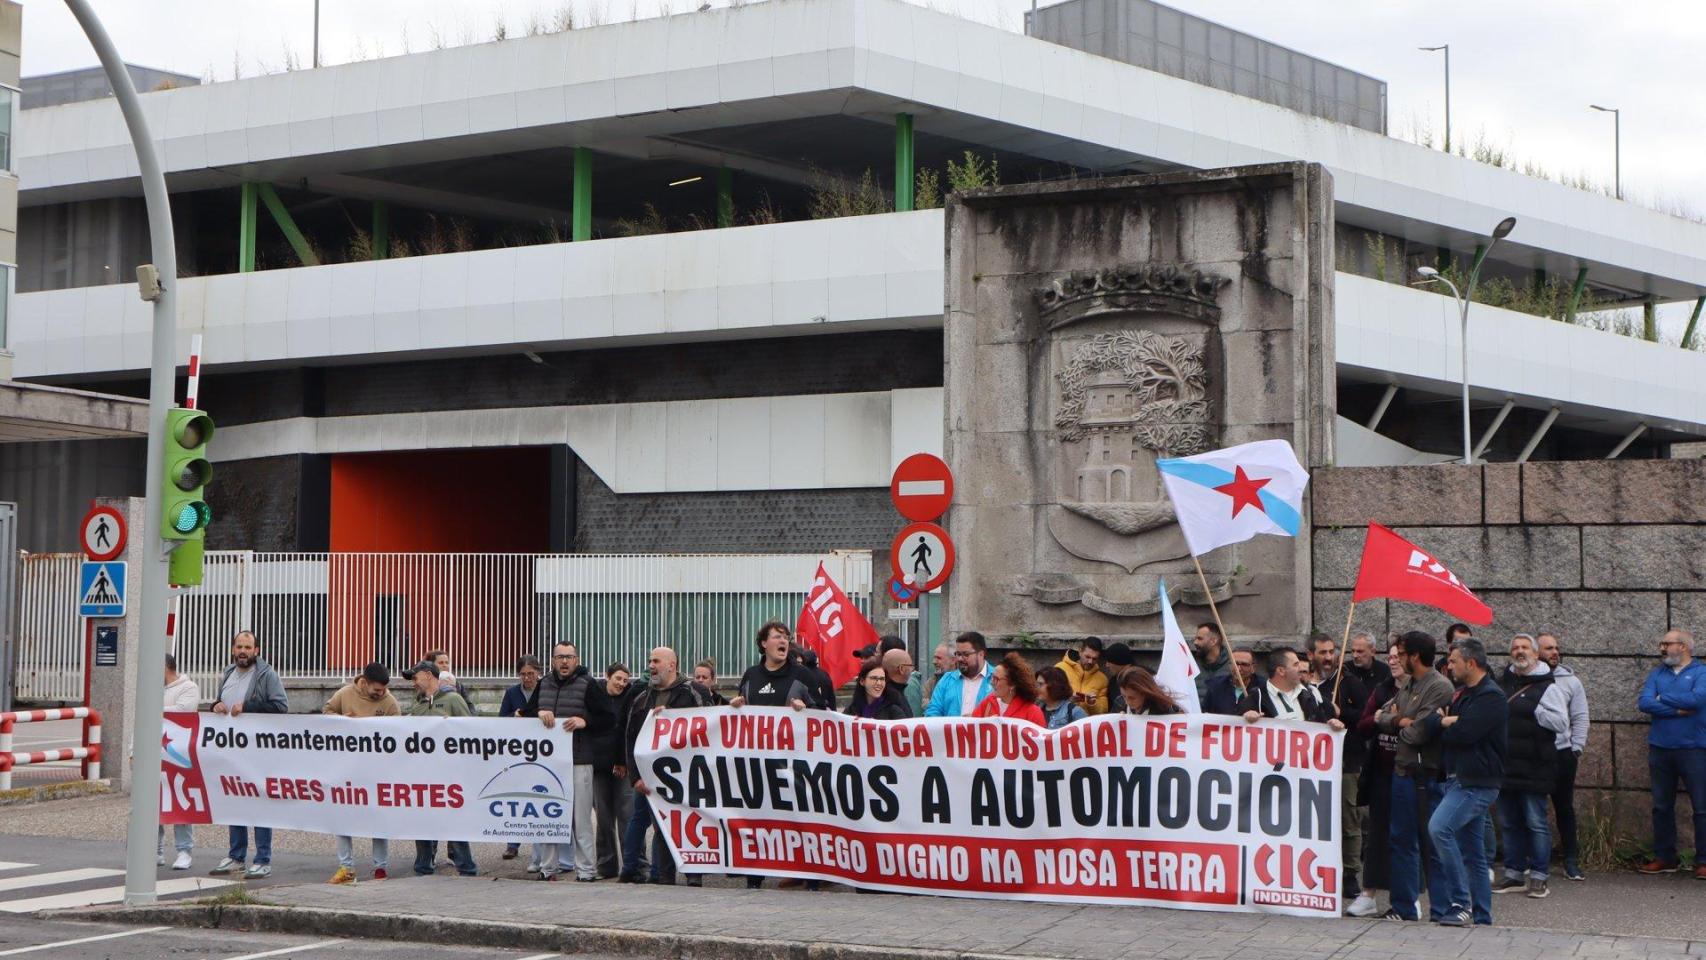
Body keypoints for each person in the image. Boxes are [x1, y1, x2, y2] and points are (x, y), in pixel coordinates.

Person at [1417, 638, 1507, 927]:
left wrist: (1446, 723)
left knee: (1439, 828)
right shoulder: (1461, 694)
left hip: (1476, 782)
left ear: (1471, 662)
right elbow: (1431, 722)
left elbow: (1465, 734)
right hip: (1457, 778)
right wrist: (1443, 722)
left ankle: (1460, 903)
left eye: (1454, 660)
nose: (1449, 665)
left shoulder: (1490, 696)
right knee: (1474, 853)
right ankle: (1483, 916)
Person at [1375, 630, 1454, 923]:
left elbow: (1418, 732)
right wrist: (1399, 719)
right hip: (1402, 773)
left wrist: (1399, 722)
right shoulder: (1408, 685)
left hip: (1426, 775)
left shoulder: (1439, 686)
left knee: (1432, 842)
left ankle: (1442, 908)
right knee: (1401, 840)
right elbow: (1380, 717)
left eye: (1403, 653)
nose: (1398, 659)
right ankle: (1404, 906)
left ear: (1415, 656)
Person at [732, 625, 815, 889]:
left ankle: (809, 874)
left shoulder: (802, 675)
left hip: (793, 764)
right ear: (763, 644)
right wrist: (733, 706)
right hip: (756, 763)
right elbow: (738, 709)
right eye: (777, 637)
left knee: (798, 819)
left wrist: (807, 709)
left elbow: (824, 714)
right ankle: (754, 876)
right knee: (757, 818)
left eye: (786, 637)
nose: (784, 641)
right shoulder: (751, 675)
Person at [621, 646, 712, 884]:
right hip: (650, 777)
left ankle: (693, 875)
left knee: (691, 822)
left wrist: (671, 715)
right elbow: (630, 738)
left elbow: (710, 723)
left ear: (672, 665)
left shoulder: (694, 692)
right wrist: (635, 777)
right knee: (659, 824)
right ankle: (660, 876)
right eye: (650, 661)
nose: (650, 666)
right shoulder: (641, 698)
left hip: (688, 774)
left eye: (656, 661)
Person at [1493, 634, 1569, 899]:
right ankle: (1514, 873)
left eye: (1525, 647)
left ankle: (1539, 876)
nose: (1519, 651)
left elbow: (1562, 723)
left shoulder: (1549, 687)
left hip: (1536, 766)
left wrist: (1538, 713)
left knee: (1535, 821)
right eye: (1515, 648)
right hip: (1506, 764)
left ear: (1536, 654)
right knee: (1509, 822)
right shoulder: (1502, 683)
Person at [208, 631, 288, 880]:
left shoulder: (267, 675)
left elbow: (280, 706)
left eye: (248, 647)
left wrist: (249, 707)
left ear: (257, 651)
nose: (243, 651)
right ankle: (236, 857)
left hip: (259, 753)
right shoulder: (229, 673)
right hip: (232, 752)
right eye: (239, 646)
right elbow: (222, 703)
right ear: (233, 649)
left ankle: (263, 859)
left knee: (260, 804)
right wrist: (215, 705)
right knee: (235, 803)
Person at [1636, 629, 1706, 879]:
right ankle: (1665, 857)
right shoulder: (1657, 673)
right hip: (1661, 748)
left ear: (1683, 646)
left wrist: (1662, 698)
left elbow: (1698, 700)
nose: (1663, 648)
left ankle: (1703, 860)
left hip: (1694, 749)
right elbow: (1644, 702)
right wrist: (1676, 711)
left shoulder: (1701, 673)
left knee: (1701, 807)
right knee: (1661, 806)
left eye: (1667, 643)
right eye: (1662, 643)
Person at [525, 641, 597, 882]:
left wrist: (585, 720)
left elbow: (607, 718)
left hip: (580, 760)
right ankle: (548, 869)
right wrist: (537, 714)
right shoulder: (543, 684)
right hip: (549, 764)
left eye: (569, 657)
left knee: (581, 820)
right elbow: (524, 715)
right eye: (560, 657)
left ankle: (586, 871)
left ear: (576, 660)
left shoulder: (589, 684)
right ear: (553, 661)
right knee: (549, 817)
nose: (564, 661)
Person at [323, 661, 400, 883]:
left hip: (376, 770)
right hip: (346, 769)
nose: (381, 693)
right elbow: (326, 713)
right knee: (343, 817)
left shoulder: (390, 702)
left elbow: (398, 732)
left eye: (384, 689)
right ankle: (346, 867)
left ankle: (380, 868)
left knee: (378, 818)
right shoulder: (344, 694)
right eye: (377, 690)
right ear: (364, 683)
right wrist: (343, 721)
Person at [1310, 634, 1372, 912]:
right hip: (1312, 764)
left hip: (1346, 762)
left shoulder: (1349, 683)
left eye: (1331, 651)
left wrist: (1342, 711)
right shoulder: (1304, 683)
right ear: (1310, 654)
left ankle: (1349, 874)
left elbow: (1366, 716)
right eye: (1322, 652)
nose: (1327, 657)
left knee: (1349, 819)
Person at [402, 660, 476, 878]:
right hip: (423, 773)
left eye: (415, 678)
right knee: (423, 820)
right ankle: (423, 866)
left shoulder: (453, 699)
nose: (413, 683)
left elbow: (470, 731)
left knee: (454, 822)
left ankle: (466, 868)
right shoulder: (418, 705)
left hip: (449, 774)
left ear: (427, 674)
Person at [1346, 641, 1404, 918]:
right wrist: (1382, 717)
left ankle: (1404, 897)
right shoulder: (1382, 689)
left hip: (1410, 774)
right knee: (1378, 834)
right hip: (1382, 773)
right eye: (1390, 657)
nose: (1393, 662)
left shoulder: (1424, 689)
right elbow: (1365, 724)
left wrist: (1390, 719)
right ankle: (1368, 893)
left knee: (1405, 837)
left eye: (1399, 657)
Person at [1536, 633, 1589, 882]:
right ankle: (1535, 859)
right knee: (1532, 808)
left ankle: (1571, 859)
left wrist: (1576, 747)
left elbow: (1580, 716)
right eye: (1548, 648)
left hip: (1562, 753)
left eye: (1556, 647)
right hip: (1532, 754)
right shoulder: (1521, 678)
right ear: (1537, 652)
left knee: (1564, 807)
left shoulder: (1571, 682)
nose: (1555, 652)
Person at [588, 662, 633, 880]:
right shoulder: (595, 695)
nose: (622, 684)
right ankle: (606, 867)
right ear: (608, 676)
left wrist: (623, 761)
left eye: (625, 680)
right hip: (599, 766)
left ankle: (631, 865)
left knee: (626, 816)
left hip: (622, 766)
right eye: (618, 679)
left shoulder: (629, 698)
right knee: (604, 819)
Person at [499, 654, 543, 861]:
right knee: (515, 796)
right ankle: (512, 843)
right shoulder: (511, 693)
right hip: (518, 750)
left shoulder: (545, 690)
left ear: (538, 673)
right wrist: (513, 717)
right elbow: (501, 719)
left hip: (541, 749)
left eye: (531, 674)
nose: (527, 678)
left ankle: (539, 843)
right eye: (523, 675)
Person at [159, 655, 200, 871]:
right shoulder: (152, 689)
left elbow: (184, 712)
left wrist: (154, 710)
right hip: (153, 753)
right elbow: (140, 720)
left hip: (178, 754)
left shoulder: (189, 687)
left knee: (179, 801)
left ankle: (184, 851)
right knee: (152, 803)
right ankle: (154, 850)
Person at [1240, 649, 1342, 728]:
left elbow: (1323, 727)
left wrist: (1332, 725)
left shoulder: (1311, 696)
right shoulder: (1256, 698)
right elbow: (1237, 734)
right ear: (1281, 671)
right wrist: (1245, 719)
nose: (1301, 669)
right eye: (1296, 665)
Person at [925, 632, 994, 717]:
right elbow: (933, 711)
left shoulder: (997, 678)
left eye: (966, 654)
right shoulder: (947, 680)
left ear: (981, 654)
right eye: (958, 654)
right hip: (951, 730)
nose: (960, 659)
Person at [971, 652, 1045, 726]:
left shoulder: (1033, 712)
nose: (991, 682)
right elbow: (972, 729)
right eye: (992, 677)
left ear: (1012, 684)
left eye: (996, 679)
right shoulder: (988, 702)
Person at [1053, 637, 1109, 716]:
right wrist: (1069, 700)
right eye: (1087, 657)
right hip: (1061, 722)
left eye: (1094, 659)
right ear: (1080, 652)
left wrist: (1093, 703)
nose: (1090, 661)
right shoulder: (1060, 668)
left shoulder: (1102, 679)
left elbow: (1103, 712)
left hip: (1086, 725)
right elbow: (1049, 698)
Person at [1202, 647, 1257, 715]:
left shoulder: (1263, 688)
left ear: (1253, 668)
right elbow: (1204, 714)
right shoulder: (1216, 687)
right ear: (1229, 665)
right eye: (1235, 664)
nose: (1238, 669)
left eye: (1244, 664)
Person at [1117, 666, 1183, 716]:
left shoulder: (1162, 710)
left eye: (1132, 698)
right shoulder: (1120, 703)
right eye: (1124, 696)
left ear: (1144, 694)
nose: (1127, 702)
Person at [1193, 623, 1232, 700]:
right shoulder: (1193, 666)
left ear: (1213, 641)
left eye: (1200, 639)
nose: (1195, 642)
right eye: (1195, 639)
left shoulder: (1233, 667)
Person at [794, 645, 837, 710]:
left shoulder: (802, 675)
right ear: (815, 660)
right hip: (825, 711)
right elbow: (831, 697)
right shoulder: (824, 674)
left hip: (808, 712)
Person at [881, 648, 920, 718]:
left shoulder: (881, 692)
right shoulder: (894, 699)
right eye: (910, 666)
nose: (912, 670)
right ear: (901, 669)